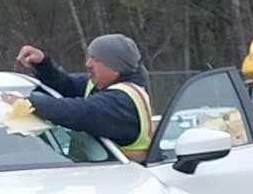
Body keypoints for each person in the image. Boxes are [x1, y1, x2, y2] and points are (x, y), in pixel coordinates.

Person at [13, 34, 155, 154]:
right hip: (93, 177)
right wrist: (42, 63)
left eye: (96, 59)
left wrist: (26, 103)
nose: (88, 64)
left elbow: (76, 112)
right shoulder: (98, 85)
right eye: (89, 57)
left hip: (125, 180)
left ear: (115, 67)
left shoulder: (122, 101)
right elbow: (64, 84)